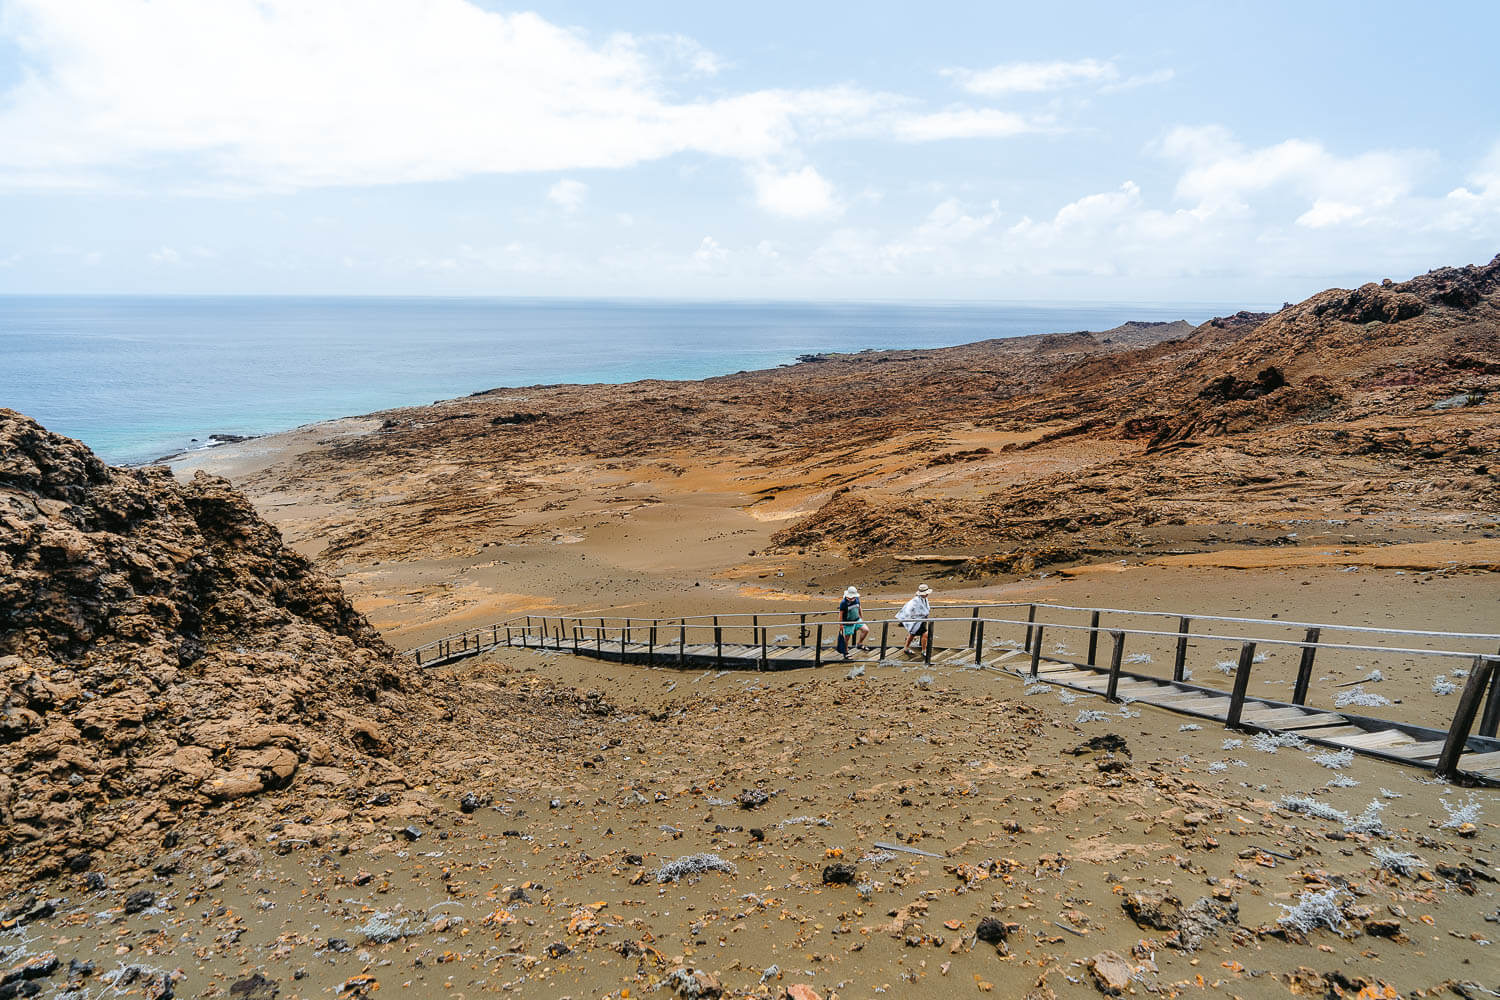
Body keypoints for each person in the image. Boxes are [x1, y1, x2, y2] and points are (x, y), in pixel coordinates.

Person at [897, 583, 932, 656]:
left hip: (922, 620)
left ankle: (906, 648)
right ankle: (924, 651)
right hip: (917, 620)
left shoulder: (924, 599)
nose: (927, 594)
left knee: (912, 634)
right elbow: (908, 609)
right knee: (925, 634)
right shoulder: (916, 600)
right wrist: (910, 617)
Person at [838, 586, 869, 658]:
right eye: (850, 598)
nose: (852, 599)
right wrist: (841, 624)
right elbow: (841, 614)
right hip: (848, 622)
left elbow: (859, 607)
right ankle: (845, 651)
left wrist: (861, 617)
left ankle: (859, 644)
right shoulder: (843, 603)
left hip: (857, 619)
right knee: (847, 637)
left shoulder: (857, 599)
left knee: (866, 630)